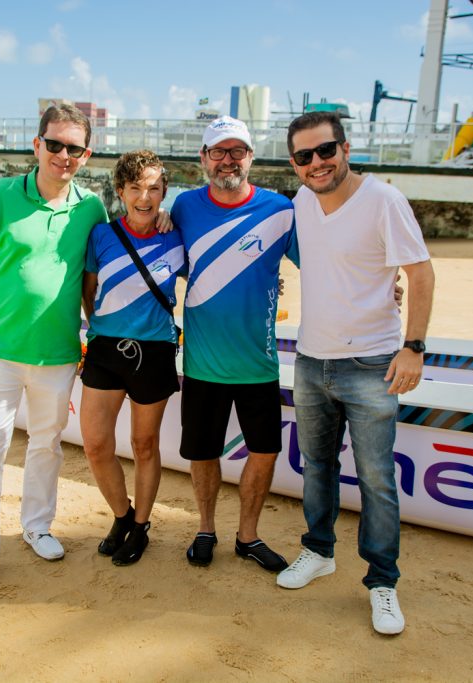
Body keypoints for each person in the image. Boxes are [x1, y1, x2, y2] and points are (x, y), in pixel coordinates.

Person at [276, 111, 435, 636]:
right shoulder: (301, 202)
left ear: (345, 149)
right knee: (316, 465)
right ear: (295, 165)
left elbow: (420, 271)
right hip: (313, 359)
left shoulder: (383, 200)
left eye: (325, 151)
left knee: (376, 480)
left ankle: (382, 582)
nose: (316, 163)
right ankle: (319, 551)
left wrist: (412, 347)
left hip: (372, 363)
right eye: (304, 157)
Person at [0, 104, 108, 603]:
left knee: (46, 445)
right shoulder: (0, 196)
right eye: (54, 144)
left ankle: (37, 527)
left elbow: (88, 285)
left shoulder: (91, 209)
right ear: (36, 145)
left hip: (58, 356)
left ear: (86, 154)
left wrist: (99, 340)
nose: (63, 155)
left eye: (73, 148)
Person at [170, 116, 297, 573]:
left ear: (250, 158)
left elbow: (324, 263)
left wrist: (381, 285)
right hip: (202, 363)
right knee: (202, 453)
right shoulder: (183, 208)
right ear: (203, 159)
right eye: (218, 152)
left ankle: (248, 537)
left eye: (237, 151)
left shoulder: (281, 209)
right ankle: (206, 529)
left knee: (264, 452)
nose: (228, 160)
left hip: (259, 363)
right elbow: (163, 255)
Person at [79, 150, 185, 566]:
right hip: (106, 350)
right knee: (96, 444)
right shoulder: (102, 236)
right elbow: (88, 290)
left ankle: (141, 526)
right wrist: (102, 327)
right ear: (121, 191)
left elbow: (214, 271)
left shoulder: (177, 234)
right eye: (136, 188)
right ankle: (122, 516)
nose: (146, 197)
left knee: (144, 445)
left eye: (155, 188)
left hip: (155, 351)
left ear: (164, 192)